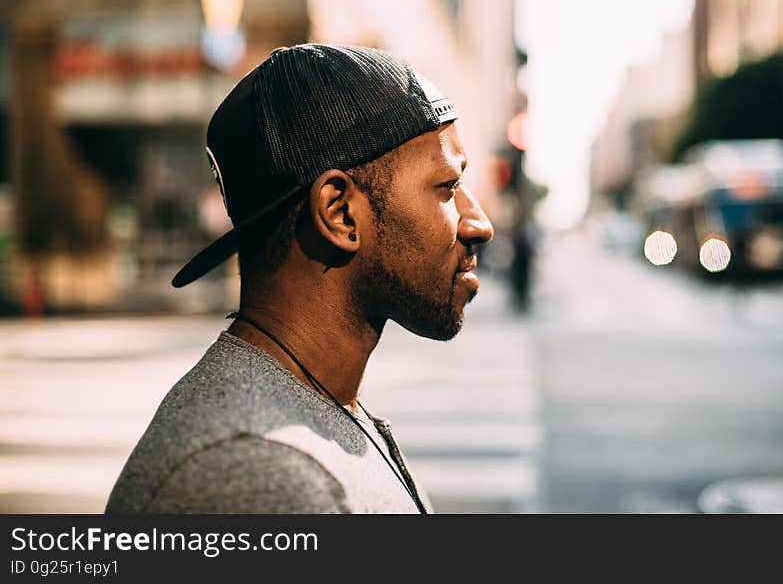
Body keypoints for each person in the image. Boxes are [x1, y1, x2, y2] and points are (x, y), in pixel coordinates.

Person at [105, 44, 494, 514]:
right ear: (340, 213)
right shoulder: (256, 475)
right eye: (448, 188)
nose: (479, 224)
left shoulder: (318, 408)